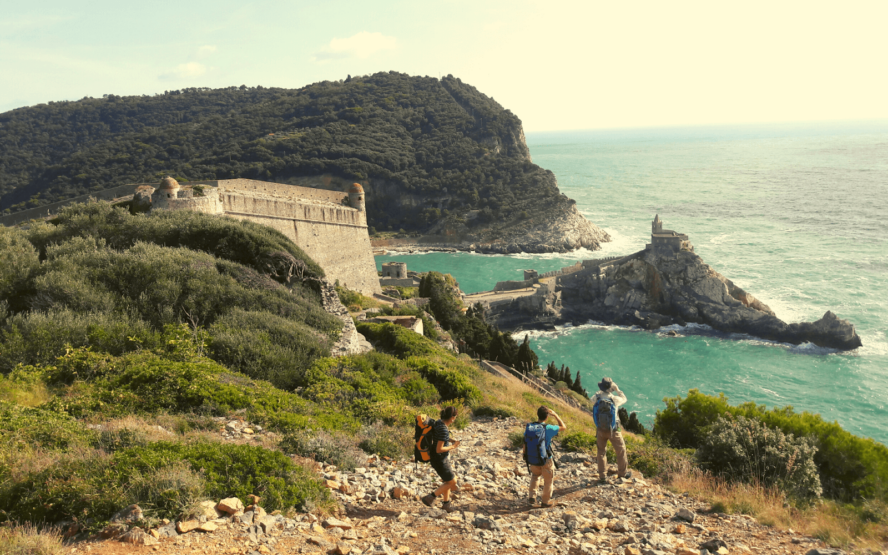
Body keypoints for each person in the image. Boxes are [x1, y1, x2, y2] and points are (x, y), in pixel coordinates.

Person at [421, 406, 461, 512]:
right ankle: (430, 497)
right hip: (440, 459)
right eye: (455, 417)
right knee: (453, 481)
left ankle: (446, 504)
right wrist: (453, 446)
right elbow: (439, 449)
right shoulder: (444, 429)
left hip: (435, 458)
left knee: (448, 481)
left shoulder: (439, 423)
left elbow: (439, 437)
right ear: (452, 417)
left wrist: (451, 440)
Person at [524, 406, 566, 507]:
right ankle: (545, 502)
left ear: (537, 415)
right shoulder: (548, 428)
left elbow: (525, 443)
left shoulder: (530, 427)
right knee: (548, 481)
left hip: (532, 457)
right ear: (547, 416)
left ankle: (532, 497)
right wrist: (555, 415)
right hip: (546, 459)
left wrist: (525, 456)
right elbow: (563, 427)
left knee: (535, 476)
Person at [592, 377, 630, 483]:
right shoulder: (614, 399)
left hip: (600, 429)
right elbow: (624, 399)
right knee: (621, 450)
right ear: (611, 387)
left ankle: (602, 476)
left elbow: (591, 400)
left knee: (601, 452)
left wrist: (600, 392)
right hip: (613, 430)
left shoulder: (597, 397)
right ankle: (622, 474)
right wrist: (617, 389)